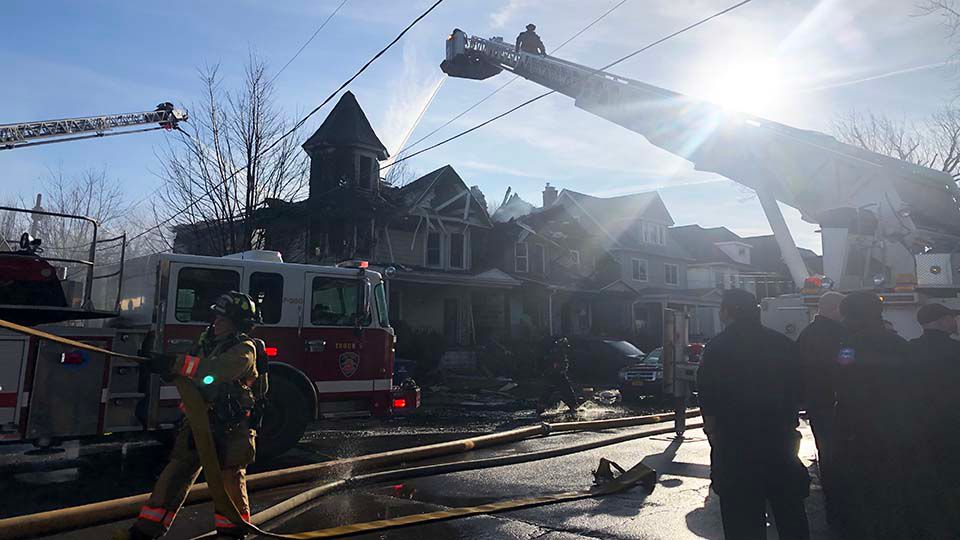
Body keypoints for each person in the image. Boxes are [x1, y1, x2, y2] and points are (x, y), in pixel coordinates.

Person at [123, 292, 262, 539]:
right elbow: (190, 370)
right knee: (175, 475)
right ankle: (145, 531)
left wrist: (175, 364)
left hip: (230, 429)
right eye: (217, 317)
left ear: (238, 324)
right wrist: (162, 366)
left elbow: (214, 372)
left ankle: (233, 533)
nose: (217, 322)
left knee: (228, 481)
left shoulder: (245, 349)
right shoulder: (205, 342)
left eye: (224, 319)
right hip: (197, 423)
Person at [697, 289, 810, 540]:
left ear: (727, 312)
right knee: (790, 511)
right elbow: (800, 388)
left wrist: (712, 430)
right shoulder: (782, 344)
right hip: (780, 442)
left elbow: (708, 393)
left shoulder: (717, 347)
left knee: (741, 518)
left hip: (735, 444)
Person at [832, 291, 911, 539]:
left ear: (853, 317)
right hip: (900, 429)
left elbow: (842, 386)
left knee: (866, 495)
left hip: (861, 434)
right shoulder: (902, 345)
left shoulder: (848, 348)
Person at [908, 303, 960, 536]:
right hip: (953, 424)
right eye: (951, 317)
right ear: (941, 320)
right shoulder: (955, 351)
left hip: (919, 425)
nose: (954, 322)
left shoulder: (909, 350)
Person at [794, 291, 845, 527]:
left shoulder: (806, 335)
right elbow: (846, 363)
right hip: (838, 403)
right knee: (843, 457)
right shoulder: (839, 334)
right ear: (836, 309)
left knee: (828, 456)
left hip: (817, 403)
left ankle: (834, 509)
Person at [536, 337, 578, 414]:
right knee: (567, 390)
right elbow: (556, 365)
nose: (566, 349)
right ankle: (573, 406)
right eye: (565, 347)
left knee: (550, 390)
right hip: (557, 375)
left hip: (554, 375)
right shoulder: (558, 354)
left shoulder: (557, 352)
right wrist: (558, 371)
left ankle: (540, 407)